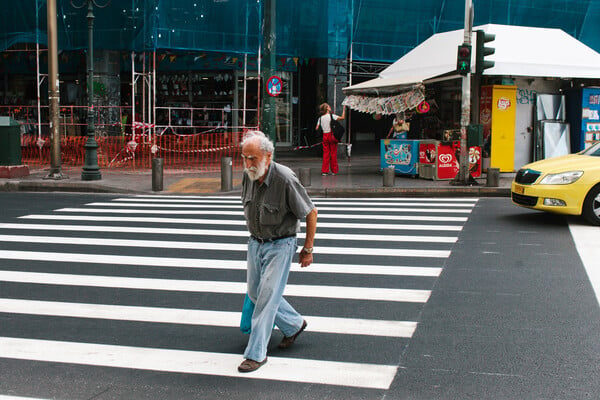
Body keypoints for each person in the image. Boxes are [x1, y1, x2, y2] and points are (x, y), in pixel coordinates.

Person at [237, 130, 318, 373]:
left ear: (268, 156)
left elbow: (311, 212)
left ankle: (256, 354)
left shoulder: (285, 178)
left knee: (266, 299)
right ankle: (293, 324)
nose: (248, 164)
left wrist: (308, 249)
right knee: (254, 292)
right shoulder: (248, 176)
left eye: (253, 158)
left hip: (280, 244)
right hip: (255, 242)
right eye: (245, 158)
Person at [315, 103, 345, 175]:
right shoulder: (332, 116)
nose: (330, 107)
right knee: (333, 153)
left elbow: (317, 128)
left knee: (325, 154)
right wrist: (344, 110)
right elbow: (342, 118)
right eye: (328, 106)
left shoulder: (320, 118)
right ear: (327, 109)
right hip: (331, 136)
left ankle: (324, 171)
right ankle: (334, 171)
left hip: (325, 136)